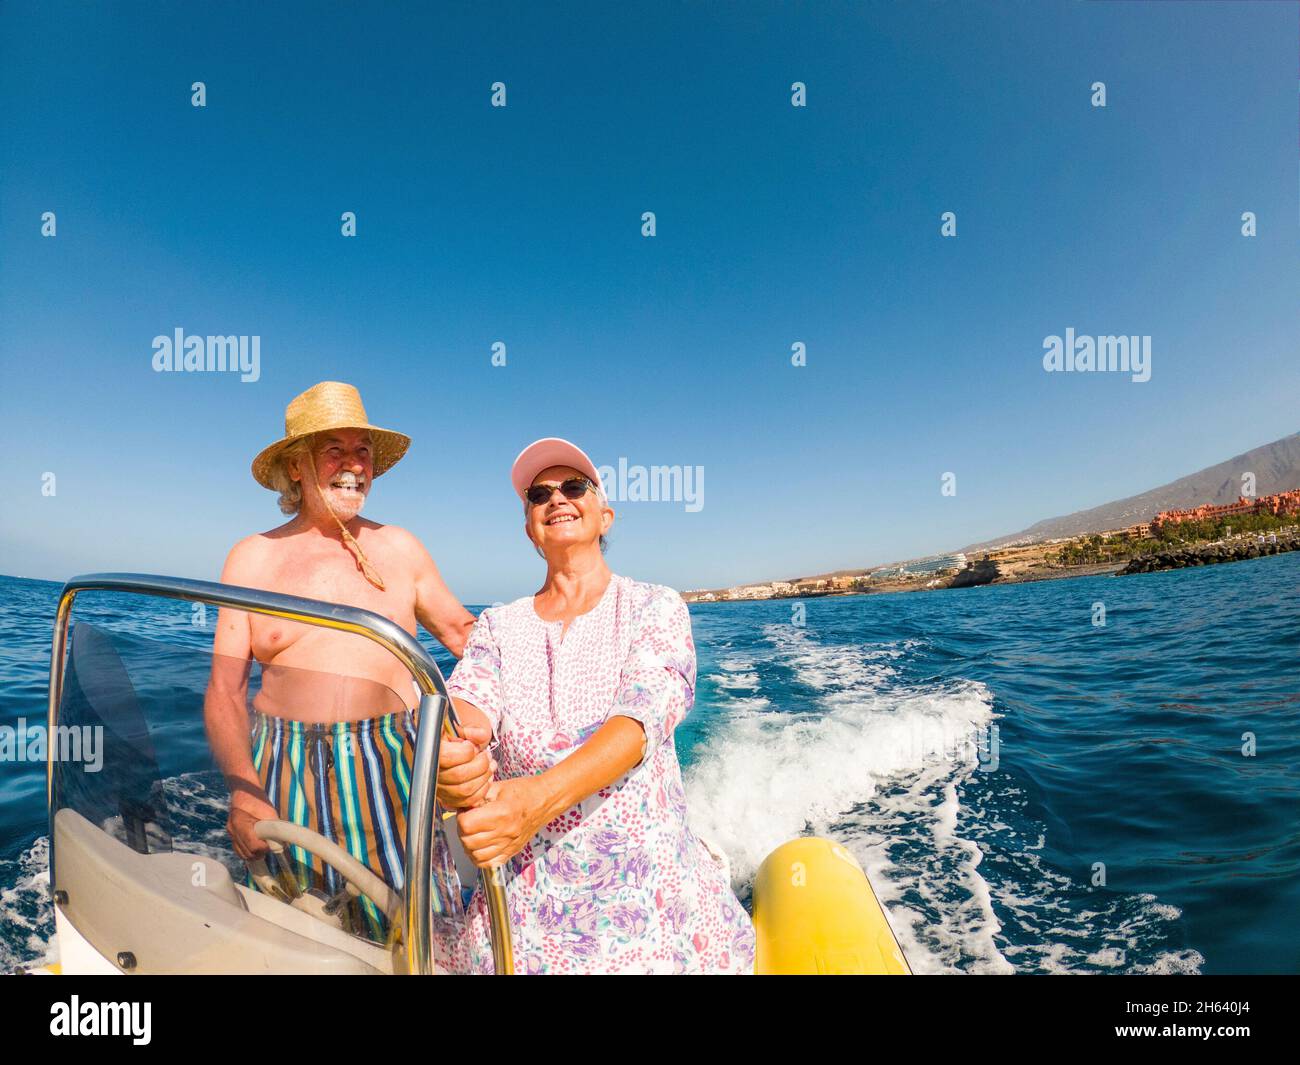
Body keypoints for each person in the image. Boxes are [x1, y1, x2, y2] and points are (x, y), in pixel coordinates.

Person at [433, 437, 755, 973]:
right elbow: (470, 702)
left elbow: (641, 721)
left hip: (646, 898)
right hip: (525, 903)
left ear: (604, 516)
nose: (557, 498)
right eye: (539, 495)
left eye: (574, 486)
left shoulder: (655, 606)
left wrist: (534, 802)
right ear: (530, 527)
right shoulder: (497, 624)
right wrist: (454, 754)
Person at [203, 380, 476, 938]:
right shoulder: (252, 557)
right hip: (283, 767)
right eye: (335, 449)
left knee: (419, 932)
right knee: (294, 933)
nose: (354, 465)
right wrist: (242, 790)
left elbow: (465, 634)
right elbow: (225, 690)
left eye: (363, 451)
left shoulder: (399, 547)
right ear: (296, 467)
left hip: (394, 758)